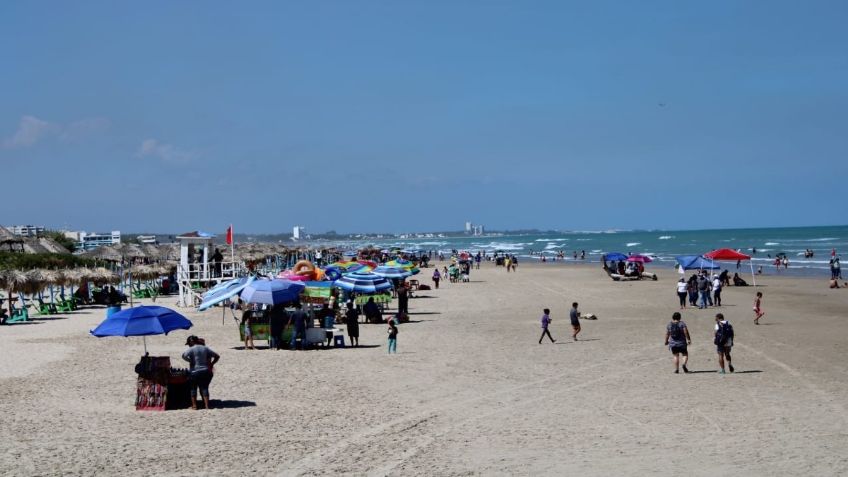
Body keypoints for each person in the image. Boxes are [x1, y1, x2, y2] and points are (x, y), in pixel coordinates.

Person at [182, 335, 220, 410]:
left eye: (189, 343)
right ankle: (206, 406)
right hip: (205, 371)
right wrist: (212, 363)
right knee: (205, 388)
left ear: (192, 342)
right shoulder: (205, 348)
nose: (189, 345)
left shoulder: (191, 349)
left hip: (194, 371)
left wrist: (190, 361)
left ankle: (194, 406)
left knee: (193, 389)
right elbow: (217, 356)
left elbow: (183, 356)